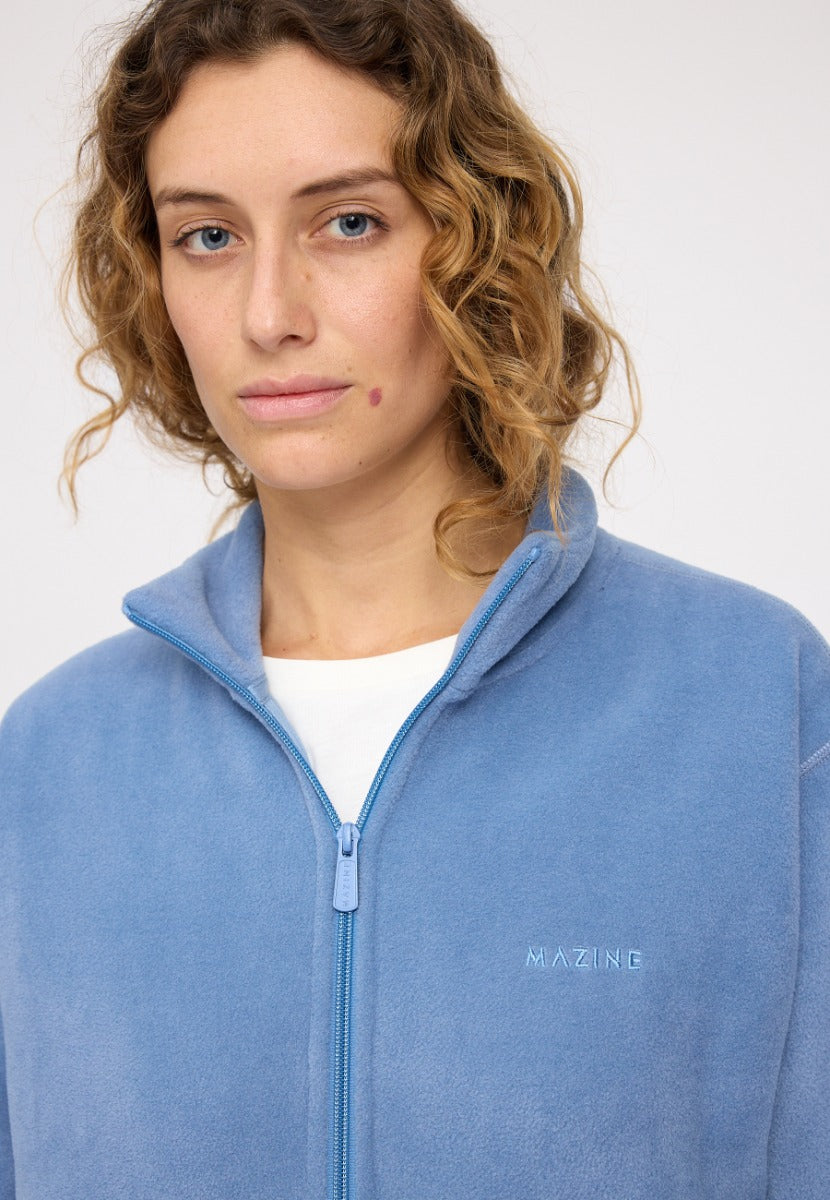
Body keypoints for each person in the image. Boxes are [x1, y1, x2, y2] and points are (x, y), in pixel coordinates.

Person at [0, 0, 827, 1196]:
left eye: (348, 221)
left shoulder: (756, 704)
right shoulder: (48, 766)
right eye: (207, 236)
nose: (268, 315)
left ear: (475, 239)